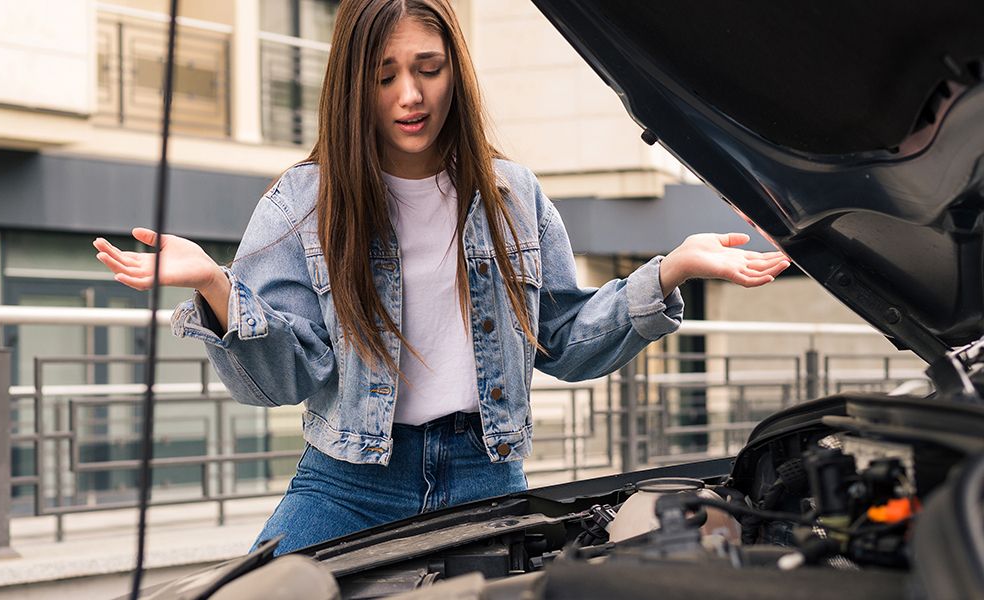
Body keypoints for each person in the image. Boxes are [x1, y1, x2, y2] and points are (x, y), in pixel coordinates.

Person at [93, 0, 789, 555]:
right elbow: (282, 379)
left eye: (428, 67)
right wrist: (217, 288)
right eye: (385, 73)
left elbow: (563, 341)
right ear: (354, 81)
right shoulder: (303, 200)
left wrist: (671, 270)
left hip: (486, 473)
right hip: (348, 484)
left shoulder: (513, 195)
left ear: (456, 69)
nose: (409, 94)